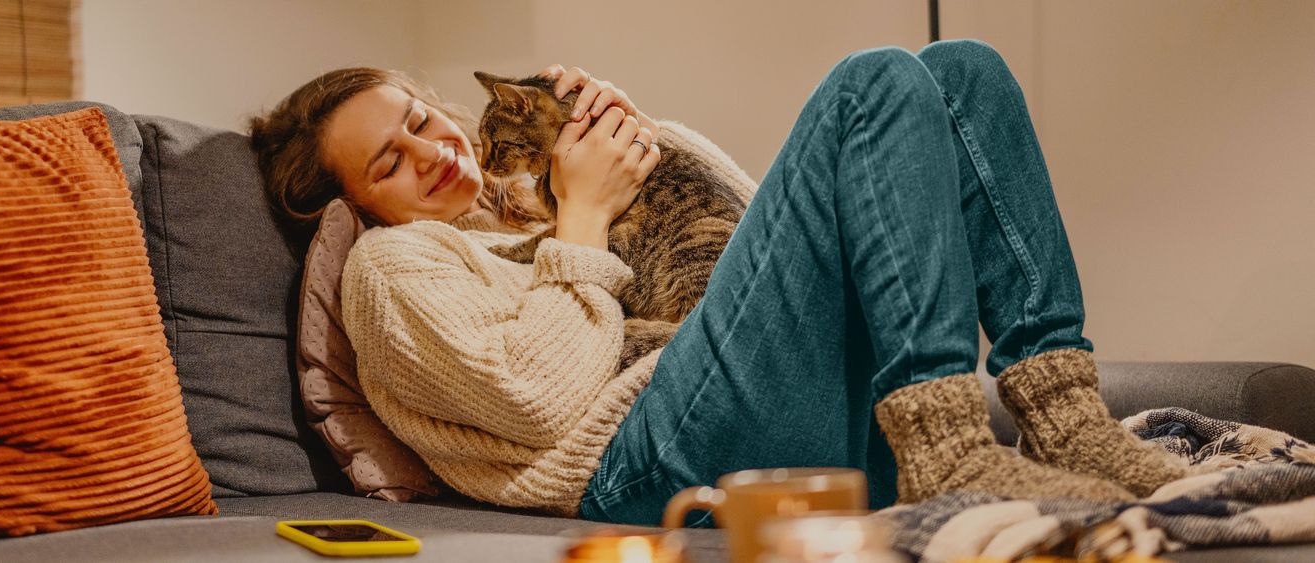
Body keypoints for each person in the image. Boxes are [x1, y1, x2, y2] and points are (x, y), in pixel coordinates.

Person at [250, 39, 1189, 526]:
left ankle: (1067, 421)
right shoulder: (391, 268)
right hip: (642, 461)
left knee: (960, 72)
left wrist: (635, 138)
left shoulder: (517, 205)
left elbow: (750, 237)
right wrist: (583, 217)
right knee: (868, 85)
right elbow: (537, 398)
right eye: (388, 161)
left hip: (742, 407)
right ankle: (945, 449)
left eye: (420, 117)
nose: (432, 149)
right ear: (354, 204)